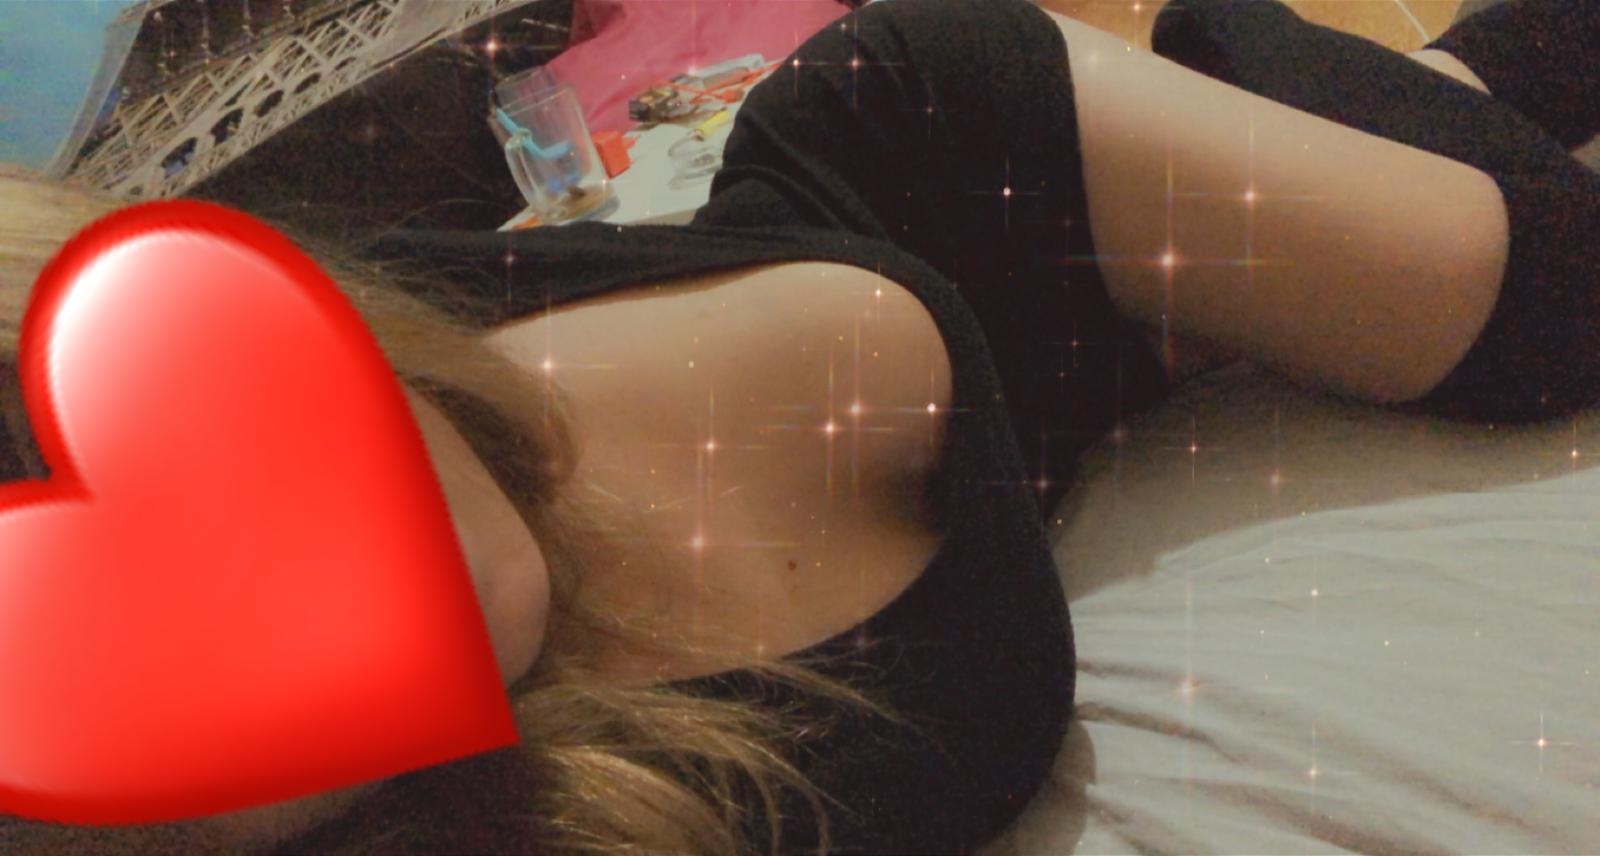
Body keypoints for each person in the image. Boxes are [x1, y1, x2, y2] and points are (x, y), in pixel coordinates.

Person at [0, 0, 1594, 852]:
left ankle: (1300, 66)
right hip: (1048, 349)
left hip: (933, 148)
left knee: (1545, 276)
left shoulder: (393, 308)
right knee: (1503, 199)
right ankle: (1355, 77)